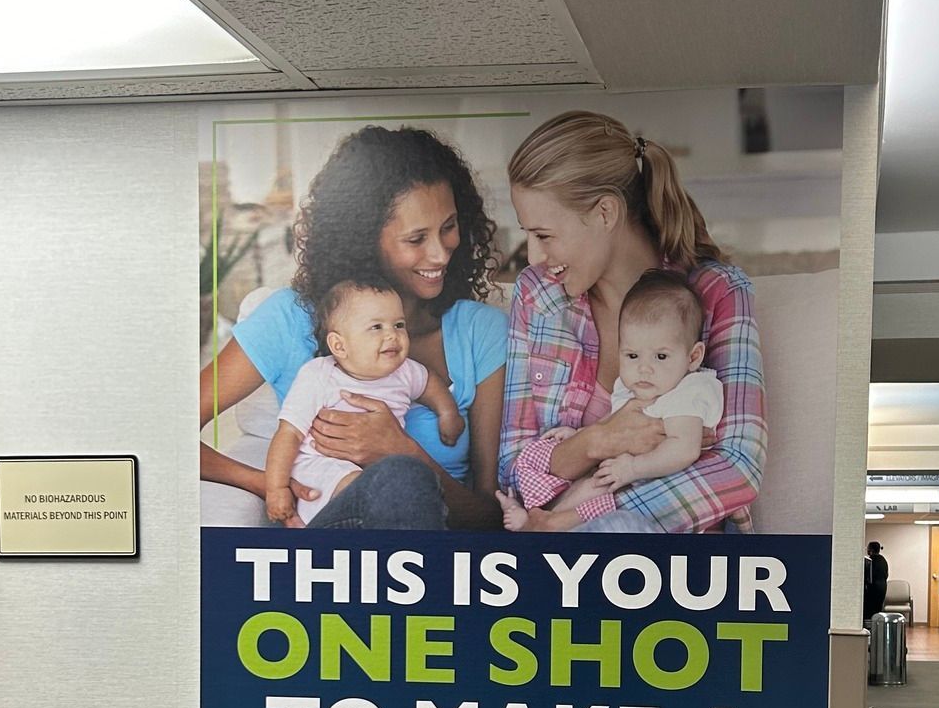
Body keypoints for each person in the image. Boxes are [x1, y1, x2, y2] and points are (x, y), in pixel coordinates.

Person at [199, 124, 506, 529]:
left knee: (402, 477)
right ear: (363, 239)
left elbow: (489, 517)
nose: (440, 253)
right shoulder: (289, 319)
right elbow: (164, 429)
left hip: (433, 562)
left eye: (448, 227)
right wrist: (268, 484)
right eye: (416, 238)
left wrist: (403, 452)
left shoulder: (479, 331)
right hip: (331, 547)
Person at [496, 110, 765, 533]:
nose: (532, 256)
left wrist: (572, 518)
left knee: (619, 532)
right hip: (557, 563)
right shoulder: (537, 295)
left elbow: (737, 465)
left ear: (605, 213)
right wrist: (600, 440)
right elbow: (513, 472)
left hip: (673, 566)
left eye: (544, 235)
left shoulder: (717, 293)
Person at [500, 270, 721, 529]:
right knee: (592, 484)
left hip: (660, 495)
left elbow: (684, 449)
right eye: (632, 356)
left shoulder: (689, 391)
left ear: (693, 357)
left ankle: (546, 523)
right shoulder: (633, 388)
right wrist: (579, 434)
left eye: (660, 357)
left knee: (603, 491)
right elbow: (612, 425)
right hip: (622, 479)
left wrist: (633, 468)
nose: (644, 369)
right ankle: (541, 517)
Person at [264, 277, 463, 527]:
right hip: (322, 480)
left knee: (410, 483)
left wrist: (447, 413)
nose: (392, 335)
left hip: (380, 487)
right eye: (376, 327)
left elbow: (429, 384)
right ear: (339, 345)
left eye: (399, 325)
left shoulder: (404, 371)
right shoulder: (319, 375)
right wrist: (276, 488)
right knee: (385, 478)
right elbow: (289, 433)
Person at [863, 541, 890, 625]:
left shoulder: (870, 560)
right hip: (882, 587)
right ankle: (878, 628)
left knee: (869, 611)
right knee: (878, 609)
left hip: (873, 589)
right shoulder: (883, 560)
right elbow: (886, 574)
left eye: (868, 548)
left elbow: (867, 576)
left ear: (870, 550)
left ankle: (870, 630)